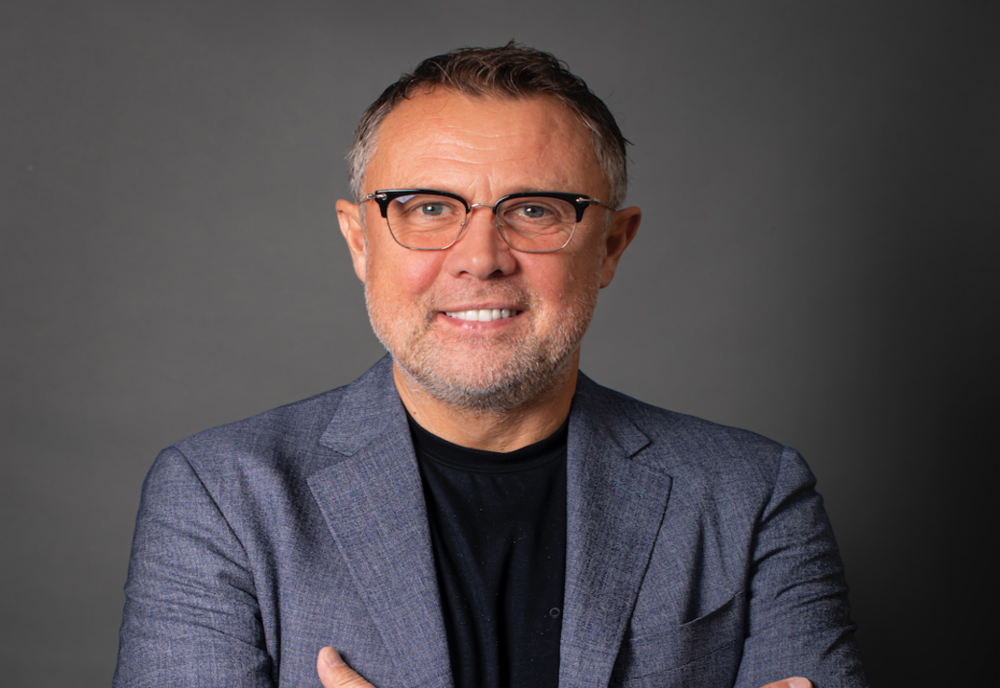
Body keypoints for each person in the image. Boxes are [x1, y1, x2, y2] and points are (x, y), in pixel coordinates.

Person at [113, 44, 867, 688]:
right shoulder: (219, 497)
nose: (480, 259)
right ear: (359, 241)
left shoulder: (754, 494)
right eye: (428, 207)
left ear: (610, 246)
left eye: (534, 210)